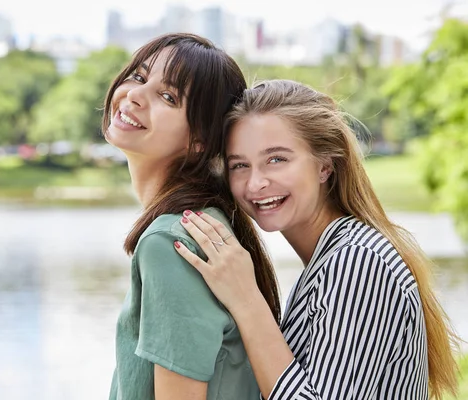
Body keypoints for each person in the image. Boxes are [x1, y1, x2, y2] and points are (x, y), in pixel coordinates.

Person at [174, 79, 460, 399]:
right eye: (239, 165)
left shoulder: (358, 260)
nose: (255, 184)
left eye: (276, 159)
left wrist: (245, 298)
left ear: (325, 165)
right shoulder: (326, 263)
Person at [103, 34, 281, 400]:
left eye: (168, 97)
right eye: (138, 77)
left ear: (200, 138)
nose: (136, 95)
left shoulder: (171, 242)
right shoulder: (205, 220)